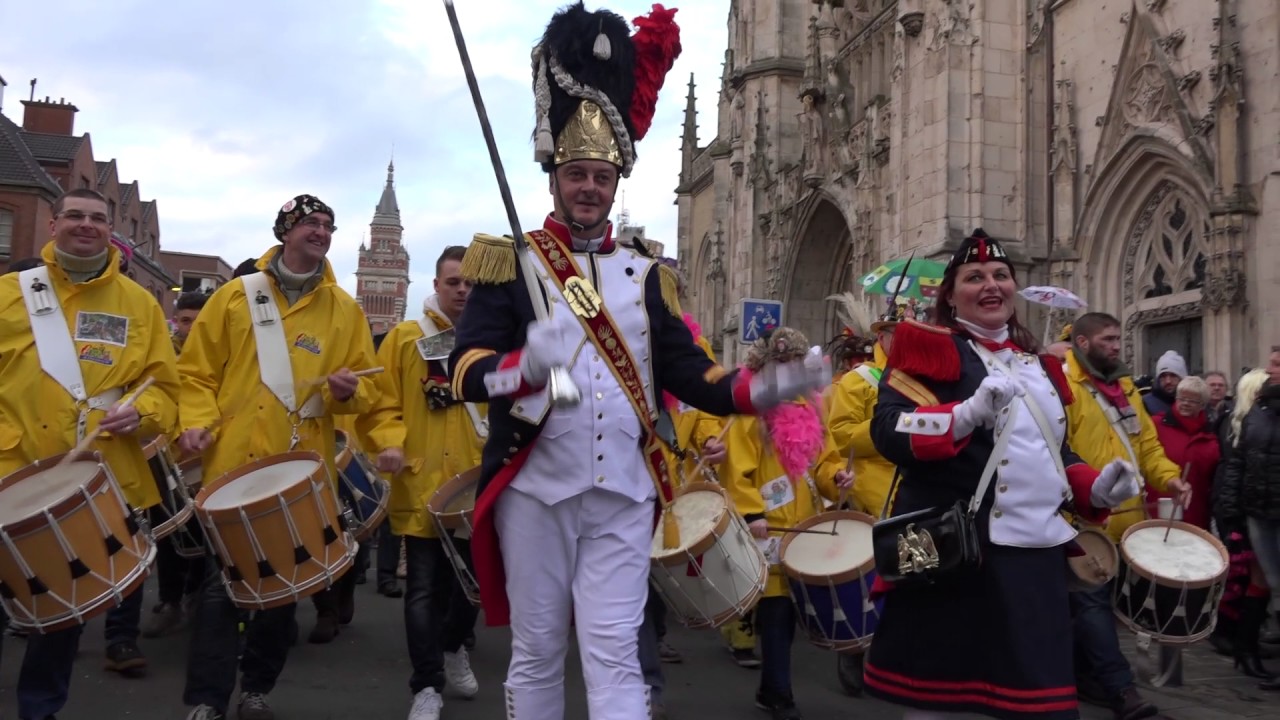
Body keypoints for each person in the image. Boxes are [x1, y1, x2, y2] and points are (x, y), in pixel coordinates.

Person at [448, 5, 824, 718]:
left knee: (616, 648)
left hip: (622, 492)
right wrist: (524, 368)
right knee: (536, 651)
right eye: (577, 174)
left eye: (601, 175)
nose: (588, 186)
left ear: (616, 183)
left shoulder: (649, 274)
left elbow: (695, 376)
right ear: (555, 178)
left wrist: (772, 388)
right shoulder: (511, 263)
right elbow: (463, 369)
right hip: (535, 489)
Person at [864, 229, 1131, 720]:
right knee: (943, 706)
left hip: (1032, 559)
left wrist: (1095, 484)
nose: (991, 285)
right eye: (974, 276)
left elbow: (1052, 451)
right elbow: (888, 429)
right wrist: (963, 415)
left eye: (1001, 275)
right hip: (954, 552)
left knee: (1038, 707)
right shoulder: (927, 348)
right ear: (950, 294)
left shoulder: (1043, 366)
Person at [177, 194, 378, 720]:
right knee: (223, 592)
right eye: (311, 223)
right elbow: (195, 375)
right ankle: (206, 700)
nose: (322, 231)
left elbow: (366, 391)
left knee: (282, 593)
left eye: (329, 225)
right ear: (285, 231)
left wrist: (346, 392)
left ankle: (257, 690)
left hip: (301, 473)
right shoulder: (234, 298)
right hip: (232, 468)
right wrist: (196, 421)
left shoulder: (344, 309)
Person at [0, 188, 180, 720]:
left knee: (60, 615)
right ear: (53, 224)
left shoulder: (139, 304)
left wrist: (142, 414)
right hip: (9, 468)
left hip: (88, 482)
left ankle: (40, 711)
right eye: (74, 215)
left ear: (111, 230)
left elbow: (167, 391)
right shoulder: (8, 293)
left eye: (97, 218)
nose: (86, 225)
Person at [360, 246, 485, 720]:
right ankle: (426, 685)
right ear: (436, 285)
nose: (461, 290)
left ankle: (454, 648)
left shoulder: (493, 341)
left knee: (472, 587)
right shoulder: (405, 339)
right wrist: (388, 441)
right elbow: (381, 404)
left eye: (469, 283)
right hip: (422, 481)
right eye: (453, 282)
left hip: (475, 487)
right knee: (423, 590)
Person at [1063, 311, 1190, 720]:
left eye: (1119, 338)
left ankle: (1085, 677)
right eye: (1108, 339)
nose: (1118, 346)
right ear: (1082, 343)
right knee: (1092, 604)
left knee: (1103, 606)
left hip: (1128, 520)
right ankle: (1122, 692)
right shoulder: (1063, 387)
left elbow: (1147, 448)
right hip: (1084, 524)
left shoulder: (1125, 388)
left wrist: (1170, 479)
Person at [722, 327, 852, 720]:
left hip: (805, 526)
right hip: (770, 527)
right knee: (776, 613)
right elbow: (737, 469)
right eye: (779, 364)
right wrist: (753, 513)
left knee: (793, 614)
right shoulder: (751, 412)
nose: (787, 370)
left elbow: (826, 460)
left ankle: (769, 688)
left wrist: (837, 478)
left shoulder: (813, 408)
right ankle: (780, 694)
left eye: (793, 363)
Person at [824, 295, 898, 696]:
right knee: (867, 583)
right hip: (871, 495)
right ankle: (853, 651)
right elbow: (841, 434)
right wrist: (892, 431)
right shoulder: (859, 380)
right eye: (896, 335)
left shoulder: (919, 381)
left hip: (912, 494)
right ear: (881, 337)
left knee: (911, 582)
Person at [142, 291, 212, 638]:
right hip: (167, 460)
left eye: (200, 322)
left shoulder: (219, 356)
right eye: (186, 321)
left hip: (206, 459)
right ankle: (170, 601)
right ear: (176, 321)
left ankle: (196, 598)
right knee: (167, 534)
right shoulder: (162, 355)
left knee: (206, 535)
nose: (192, 328)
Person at [1216, 346, 1280, 691]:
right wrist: (1232, 512)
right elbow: (1237, 464)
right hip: (1259, 512)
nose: (1271, 370)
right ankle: (1245, 648)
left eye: (1277, 364)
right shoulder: (1259, 411)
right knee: (1262, 581)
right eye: (1270, 364)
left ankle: (1248, 649)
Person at [1148, 376, 1220, 529]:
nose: (1185, 403)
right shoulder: (1155, 425)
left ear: (1202, 405)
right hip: (1157, 511)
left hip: (1195, 514)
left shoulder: (1212, 437)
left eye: (1192, 401)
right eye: (1182, 398)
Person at [1142, 350, 1186, 417]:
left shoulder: (1194, 401)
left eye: (1173, 375)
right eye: (1163, 376)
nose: (1168, 381)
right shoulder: (1145, 403)